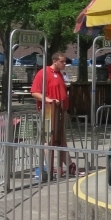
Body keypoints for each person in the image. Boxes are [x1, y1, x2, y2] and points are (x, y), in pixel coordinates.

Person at [31, 52, 71, 180]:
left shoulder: (59, 74)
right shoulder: (43, 73)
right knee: (49, 139)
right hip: (48, 111)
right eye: (62, 61)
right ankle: (49, 165)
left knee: (61, 139)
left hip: (60, 111)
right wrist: (49, 100)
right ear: (55, 61)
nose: (65, 64)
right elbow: (35, 92)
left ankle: (69, 165)